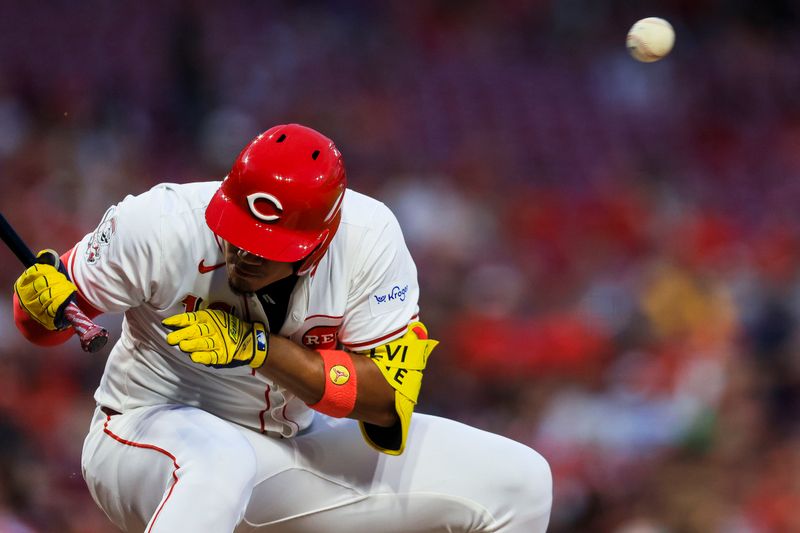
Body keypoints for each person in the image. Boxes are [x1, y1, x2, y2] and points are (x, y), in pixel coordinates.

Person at [12, 124, 552, 532]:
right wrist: (37, 306)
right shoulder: (159, 223)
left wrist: (258, 350)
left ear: (320, 239)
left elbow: (387, 400)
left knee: (522, 481)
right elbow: (49, 321)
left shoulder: (368, 240)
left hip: (286, 446)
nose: (244, 254)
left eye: (266, 248)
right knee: (218, 459)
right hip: (143, 433)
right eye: (237, 232)